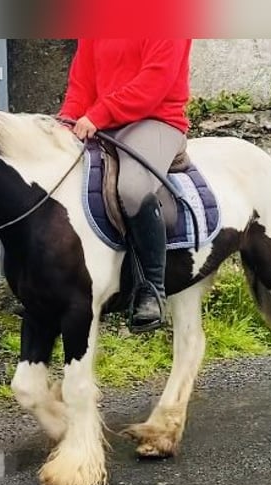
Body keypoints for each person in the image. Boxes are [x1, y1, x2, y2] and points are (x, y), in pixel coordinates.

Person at [58, 39, 192, 332]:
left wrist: (98, 113)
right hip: (102, 123)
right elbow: (81, 83)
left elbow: (154, 81)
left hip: (155, 120)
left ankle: (152, 290)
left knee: (131, 190)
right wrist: (66, 123)